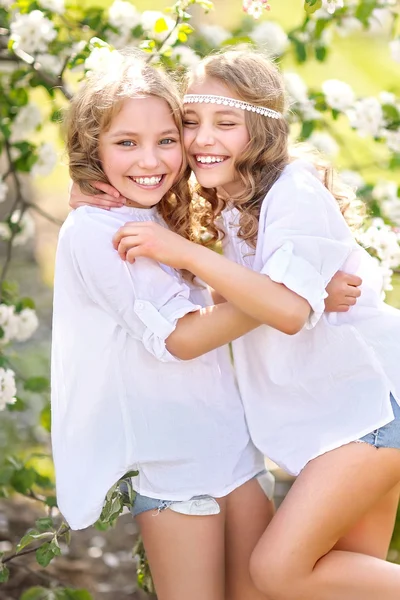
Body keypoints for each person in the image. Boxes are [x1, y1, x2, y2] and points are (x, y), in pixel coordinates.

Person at [104, 50, 400, 600]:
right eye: (189, 123)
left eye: (225, 123)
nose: (201, 139)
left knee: (278, 572)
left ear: (260, 129)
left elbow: (287, 312)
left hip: (369, 410)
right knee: (347, 580)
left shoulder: (293, 188)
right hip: (336, 416)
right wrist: (90, 189)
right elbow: (257, 297)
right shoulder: (232, 203)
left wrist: (185, 254)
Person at [54, 51, 280, 600]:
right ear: (93, 148)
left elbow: (221, 291)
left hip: (233, 448)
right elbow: (178, 338)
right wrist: (283, 298)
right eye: (125, 143)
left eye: (166, 139)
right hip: (175, 469)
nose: (149, 159)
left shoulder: (157, 214)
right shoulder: (94, 231)